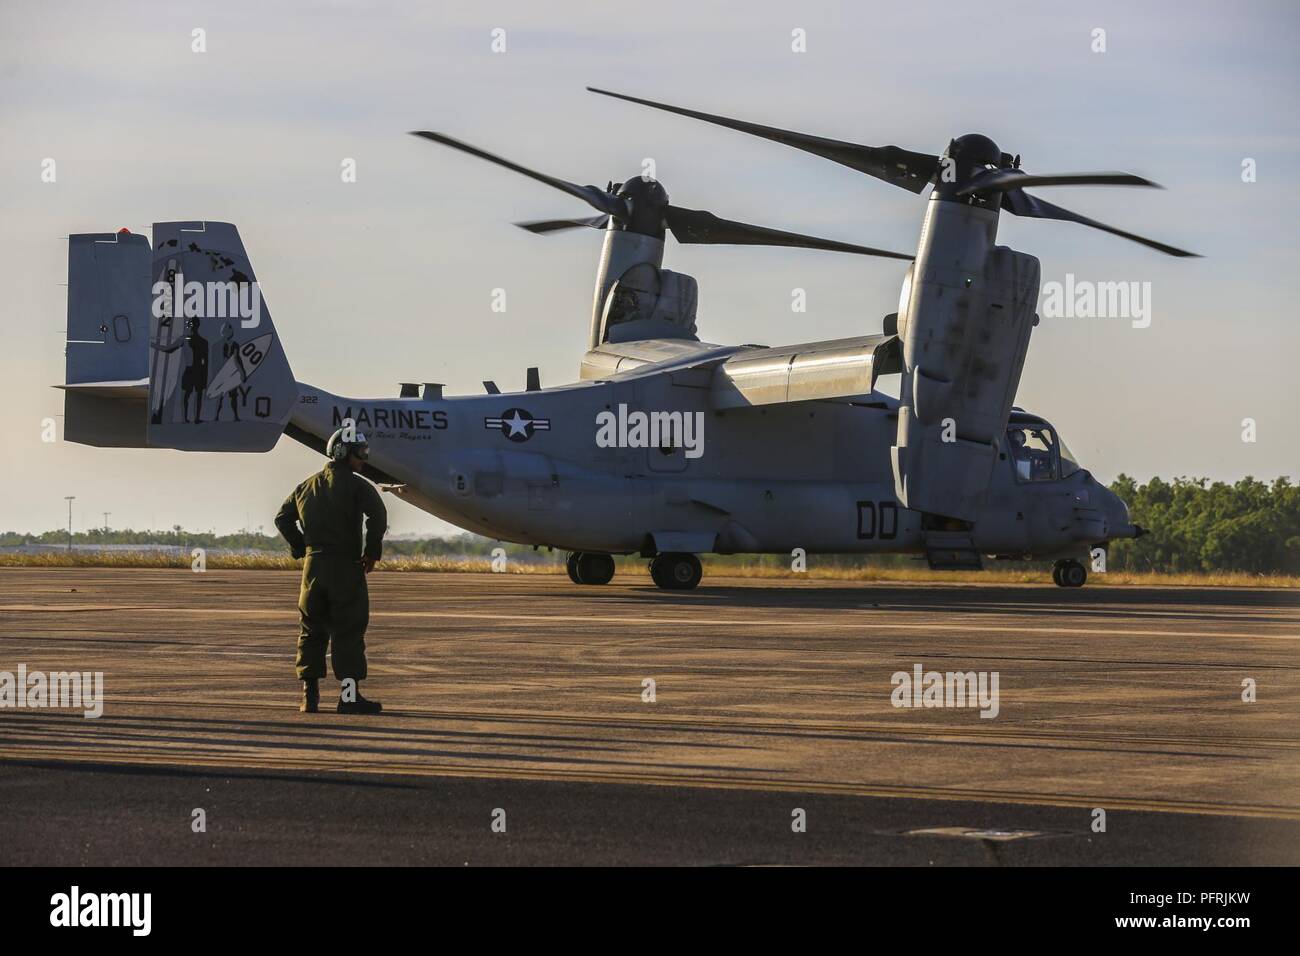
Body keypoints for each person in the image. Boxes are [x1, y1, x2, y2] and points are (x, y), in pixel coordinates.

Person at [275, 426, 387, 714]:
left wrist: (301, 548)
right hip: (345, 568)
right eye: (359, 454)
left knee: (311, 630)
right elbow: (378, 514)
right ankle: (348, 699)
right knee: (348, 632)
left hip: (313, 571)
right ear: (343, 454)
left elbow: (282, 518)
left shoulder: (306, 486)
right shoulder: (358, 486)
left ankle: (309, 697)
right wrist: (371, 553)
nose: (362, 460)